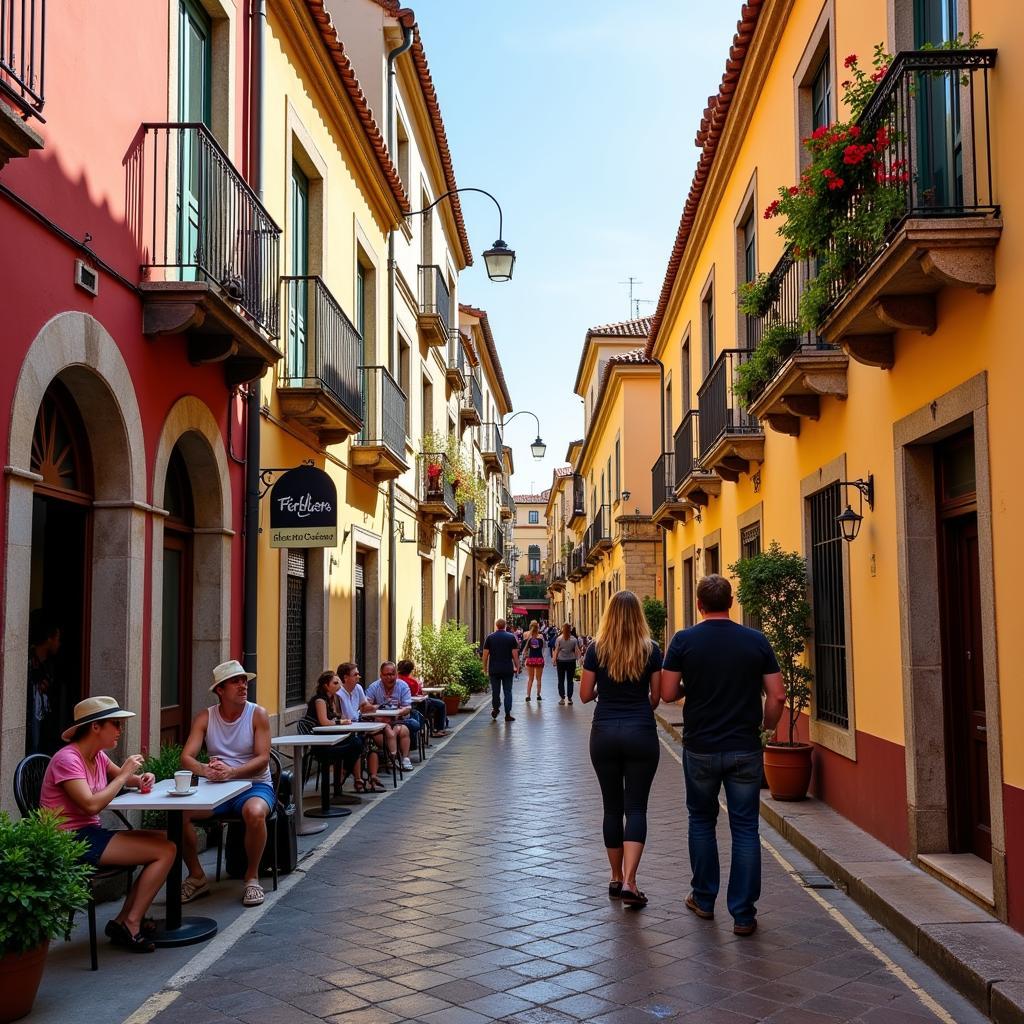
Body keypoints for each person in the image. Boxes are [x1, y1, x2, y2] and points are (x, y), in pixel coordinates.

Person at [661, 574, 785, 936]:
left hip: (700, 746)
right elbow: (777, 696)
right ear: (731, 602)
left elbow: (668, 693)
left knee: (701, 821)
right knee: (745, 827)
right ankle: (743, 914)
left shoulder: (684, 640)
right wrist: (765, 728)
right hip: (745, 747)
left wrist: (693, 684)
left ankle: (703, 898)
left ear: (699, 604)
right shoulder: (756, 640)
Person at [39, 696, 175, 953]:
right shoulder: (67, 759)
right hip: (69, 842)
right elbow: (90, 805)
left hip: (90, 834)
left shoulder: (98, 756)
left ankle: (123, 920)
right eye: (116, 724)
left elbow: (126, 780)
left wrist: (141, 779)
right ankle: (132, 924)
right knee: (165, 851)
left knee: (164, 839)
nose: (120, 730)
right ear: (95, 727)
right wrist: (124, 775)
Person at [580, 592, 663, 908]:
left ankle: (615, 877)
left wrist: (606, 686)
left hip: (604, 733)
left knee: (611, 807)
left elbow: (586, 695)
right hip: (641, 731)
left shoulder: (596, 650)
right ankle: (631, 880)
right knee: (637, 808)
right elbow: (655, 698)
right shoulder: (651, 650)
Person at [180, 660, 274, 908]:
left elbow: (263, 760)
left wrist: (231, 772)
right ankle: (197, 876)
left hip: (254, 785)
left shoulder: (258, 714)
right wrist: (205, 770)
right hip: (217, 788)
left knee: (254, 813)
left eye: (244, 680)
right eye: (236, 681)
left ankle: (252, 877)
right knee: (178, 816)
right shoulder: (205, 717)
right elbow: (186, 757)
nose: (243, 685)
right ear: (220, 690)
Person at [303, 670, 363, 794]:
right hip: (321, 744)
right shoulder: (320, 700)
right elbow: (324, 721)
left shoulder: (331, 699)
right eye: (335, 683)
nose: (339, 686)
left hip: (330, 738)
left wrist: (339, 719)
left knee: (357, 741)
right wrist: (341, 722)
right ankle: (343, 774)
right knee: (356, 743)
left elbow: (334, 717)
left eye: (339, 683)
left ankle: (343, 774)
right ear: (326, 685)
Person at [336, 662, 384, 791]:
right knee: (358, 744)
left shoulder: (358, 688)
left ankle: (372, 776)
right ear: (346, 677)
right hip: (344, 730)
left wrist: (375, 706)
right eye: (355, 674)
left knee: (372, 743)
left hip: (357, 725)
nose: (358, 677)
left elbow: (364, 706)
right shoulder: (338, 694)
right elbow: (342, 716)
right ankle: (358, 780)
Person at [365, 661, 416, 771]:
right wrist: (376, 708)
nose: (390, 677)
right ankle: (393, 757)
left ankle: (405, 759)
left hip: (398, 720)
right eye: (387, 674)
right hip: (379, 722)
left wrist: (398, 713)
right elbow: (366, 706)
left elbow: (407, 707)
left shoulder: (402, 686)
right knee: (384, 734)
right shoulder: (374, 687)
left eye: (393, 674)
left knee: (404, 731)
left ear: (396, 675)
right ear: (381, 675)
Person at [27, 611, 61, 755]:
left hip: (45, 724)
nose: (59, 643)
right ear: (49, 639)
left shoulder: (51, 665)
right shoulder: (28, 661)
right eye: (57, 639)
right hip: (30, 723)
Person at [398, 659, 448, 737]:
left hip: (406, 704)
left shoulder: (396, 679)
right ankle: (438, 729)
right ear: (411, 670)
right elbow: (416, 693)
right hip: (416, 703)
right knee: (441, 704)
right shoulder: (412, 681)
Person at [482, 617, 520, 721]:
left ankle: (495, 708)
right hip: (507, 669)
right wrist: (517, 667)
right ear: (505, 626)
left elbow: (485, 656)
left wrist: (484, 668)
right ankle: (507, 714)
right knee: (508, 691)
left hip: (494, 669)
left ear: (496, 626)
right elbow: (515, 655)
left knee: (495, 691)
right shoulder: (511, 637)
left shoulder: (490, 637)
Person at [553, 623, 582, 705]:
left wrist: (554, 660)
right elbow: (576, 651)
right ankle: (569, 698)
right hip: (571, 661)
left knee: (561, 680)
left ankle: (562, 698)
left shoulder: (559, 639)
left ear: (563, 629)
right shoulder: (574, 639)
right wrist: (579, 660)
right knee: (570, 680)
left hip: (561, 661)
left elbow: (556, 650)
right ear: (570, 629)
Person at [521, 620, 547, 701]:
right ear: (538, 627)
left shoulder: (526, 635)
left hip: (531, 659)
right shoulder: (541, 636)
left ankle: (528, 696)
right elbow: (544, 648)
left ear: (530, 626)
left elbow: (524, 649)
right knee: (539, 679)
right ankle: (538, 695)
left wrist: (524, 658)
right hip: (539, 659)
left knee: (530, 679)